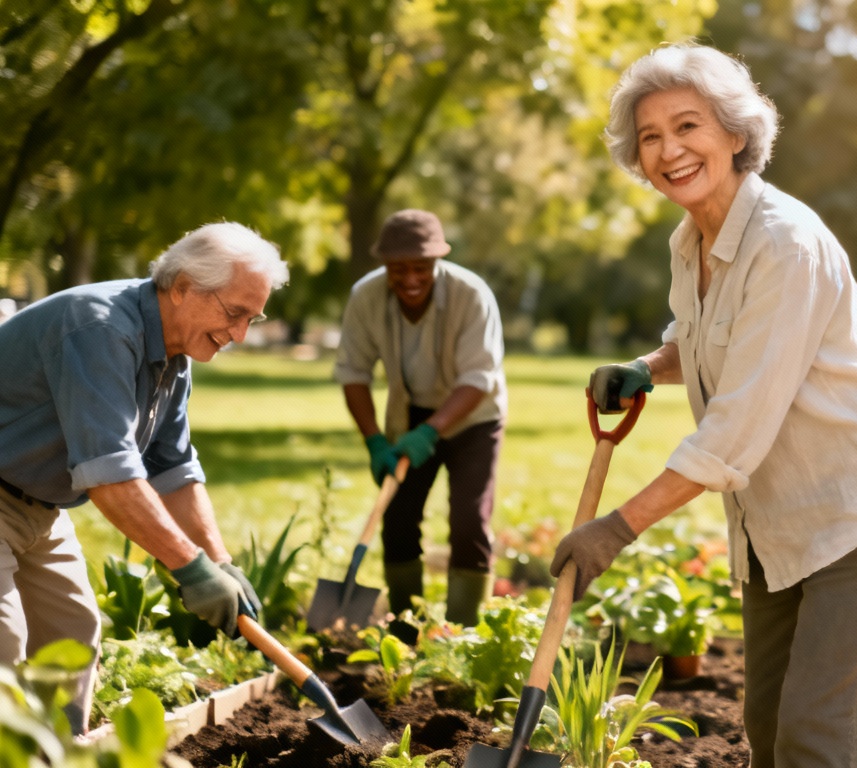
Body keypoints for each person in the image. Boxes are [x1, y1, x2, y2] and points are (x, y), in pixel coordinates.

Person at [547, 44, 857, 768]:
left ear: (735, 132)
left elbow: (736, 427)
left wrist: (616, 529)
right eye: (650, 137)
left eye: (688, 126)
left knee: (821, 738)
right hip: (778, 520)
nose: (670, 150)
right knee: (767, 730)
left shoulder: (785, 244)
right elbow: (700, 339)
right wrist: (645, 367)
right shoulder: (690, 242)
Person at [0, 223, 286, 732]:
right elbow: (111, 478)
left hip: (40, 505)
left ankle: (57, 755)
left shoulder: (173, 355)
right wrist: (191, 570)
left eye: (253, 318)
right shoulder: (100, 328)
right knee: (4, 644)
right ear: (182, 287)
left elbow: (173, 468)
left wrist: (219, 561)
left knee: (69, 638)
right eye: (234, 313)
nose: (240, 334)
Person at [334, 209, 507, 626]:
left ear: (437, 261)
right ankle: (406, 631)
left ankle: (464, 633)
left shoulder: (471, 294)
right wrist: (375, 440)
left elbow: (477, 378)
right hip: (407, 416)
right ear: (385, 266)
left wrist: (430, 431)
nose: (410, 279)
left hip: (474, 417)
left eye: (420, 268)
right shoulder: (366, 297)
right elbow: (353, 373)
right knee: (397, 519)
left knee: (469, 519)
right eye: (398, 269)